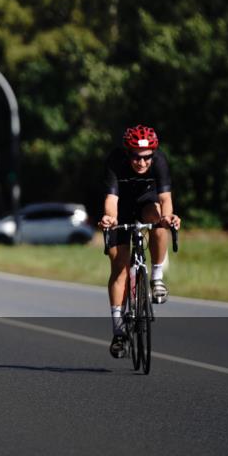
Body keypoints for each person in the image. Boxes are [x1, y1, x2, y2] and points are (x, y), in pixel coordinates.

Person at [97, 125, 181, 359]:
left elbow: (165, 198)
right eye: (136, 157)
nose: (142, 163)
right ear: (127, 153)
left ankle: (156, 277)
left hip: (146, 199)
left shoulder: (160, 161)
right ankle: (118, 331)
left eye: (146, 158)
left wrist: (169, 217)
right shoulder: (115, 161)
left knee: (158, 219)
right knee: (120, 267)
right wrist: (109, 219)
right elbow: (111, 199)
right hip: (120, 206)